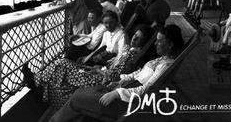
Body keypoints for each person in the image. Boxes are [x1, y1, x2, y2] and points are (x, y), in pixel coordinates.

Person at [49, 24, 185, 122]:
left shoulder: (165, 66)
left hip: (127, 103)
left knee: (77, 98)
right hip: (125, 90)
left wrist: (116, 93)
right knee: (79, 94)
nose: (155, 44)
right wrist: (121, 81)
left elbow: (147, 90)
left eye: (159, 41)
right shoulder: (161, 59)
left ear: (170, 45)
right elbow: (138, 73)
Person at [21, 24, 155, 110]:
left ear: (144, 42)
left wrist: (98, 70)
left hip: (102, 80)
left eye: (138, 39)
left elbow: (116, 75)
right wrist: (98, 67)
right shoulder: (129, 50)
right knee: (64, 64)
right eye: (135, 36)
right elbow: (115, 67)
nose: (134, 39)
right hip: (102, 73)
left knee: (62, 64)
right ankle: (38, 84)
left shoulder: (132, 54)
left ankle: (36, 82)